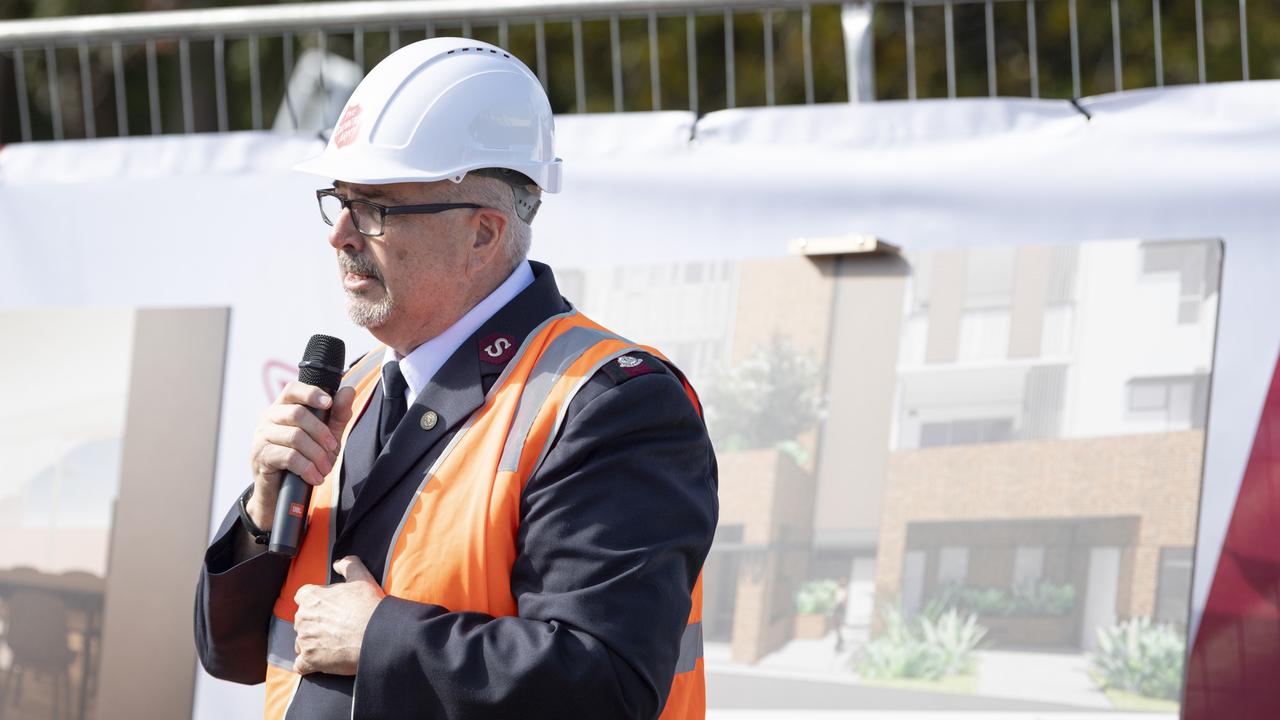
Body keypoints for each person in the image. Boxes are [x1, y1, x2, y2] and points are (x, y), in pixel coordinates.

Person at [194, 37, 718, 720]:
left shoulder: (612, 402)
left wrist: (379, 638)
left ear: (484, 233)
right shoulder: (352, 390)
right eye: (340, 199)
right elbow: (231, 654)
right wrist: (263, 515)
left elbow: (605, 685)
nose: (341, 235)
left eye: (376, 207)